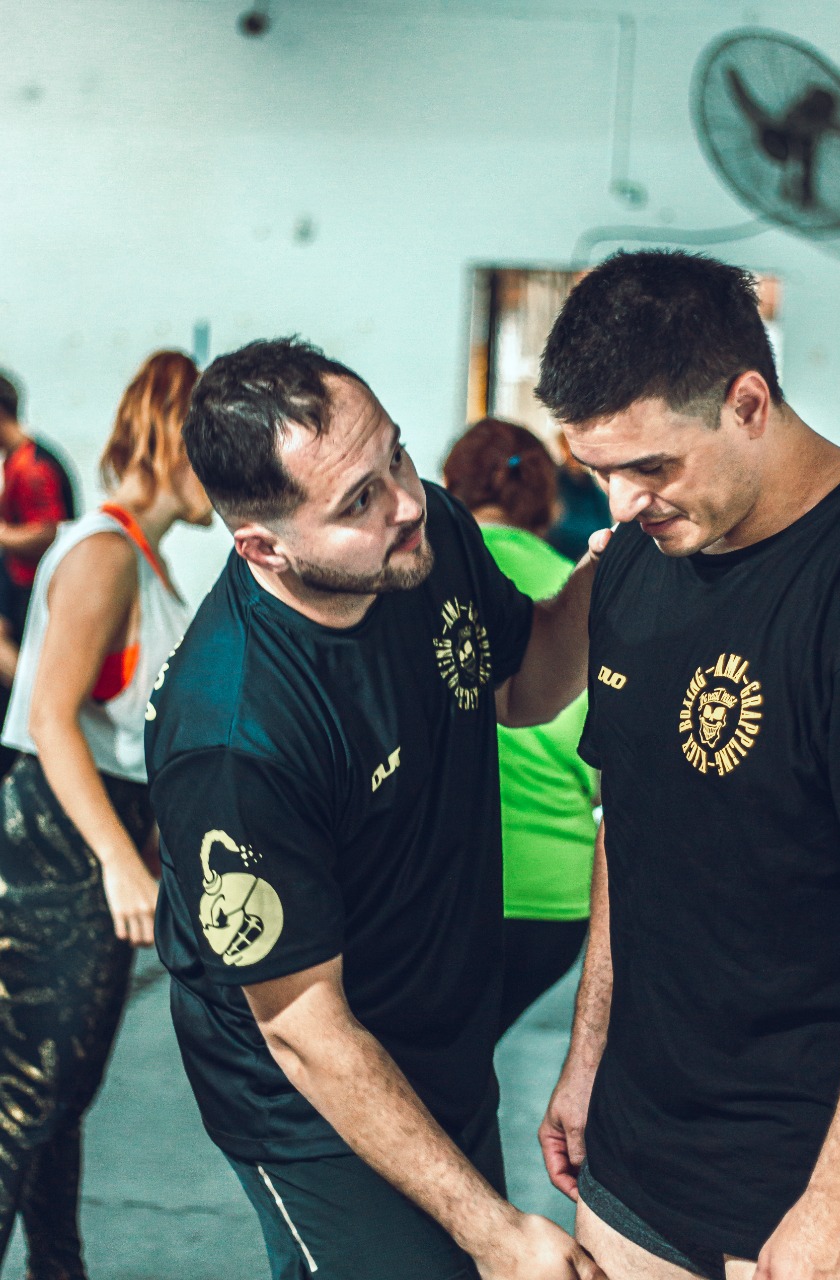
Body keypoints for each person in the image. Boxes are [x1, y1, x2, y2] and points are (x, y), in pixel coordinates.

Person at [145, 337, 610, 1280]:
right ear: (262, 547)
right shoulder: (235, 734)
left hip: (441, 1032)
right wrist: (492, 1230)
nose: (403, 500)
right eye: (356, 501)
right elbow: (303, 1028)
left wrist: (619, 566)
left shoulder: (421, 536)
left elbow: (524, 686)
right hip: (311, 1092)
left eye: (394, 454)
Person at [534, 250, 840, 1280]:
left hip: (803, 1170)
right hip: (636, 1154)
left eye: (650, 467)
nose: (620, 504)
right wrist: (587, 1053)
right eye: (596, 470)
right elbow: (627, 821)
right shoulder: (630, 565)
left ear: (747, 401)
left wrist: (837, 1203)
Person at [0, 350, 212, 1277]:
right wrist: (120, 862)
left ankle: (59, 1269)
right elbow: (50, 717)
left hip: (95, 828)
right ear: (177, 446)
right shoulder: (104, 550)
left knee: (54, 1097)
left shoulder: (146, 563)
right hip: (56, 837)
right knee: (27, 1098)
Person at [443, 417, 597, 1036]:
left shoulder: (425, 582)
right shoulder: (576, 589)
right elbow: (602, 760)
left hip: (445, 888)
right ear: (548, 500)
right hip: (555, 896)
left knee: (427, 1069)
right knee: (465, 1060)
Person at [0, 370, 77, 775]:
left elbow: (50, 532)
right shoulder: (21, 460)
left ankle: (32, 719)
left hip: (33, 594)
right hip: (20, 589)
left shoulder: (31, 466)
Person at [547, 434, 611, 566]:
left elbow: (605, 526)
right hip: (555, 557)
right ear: (561, 447)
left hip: (588, 558)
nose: (573, 454)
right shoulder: (552, 481)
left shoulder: (594, 486)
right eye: (567, 447)